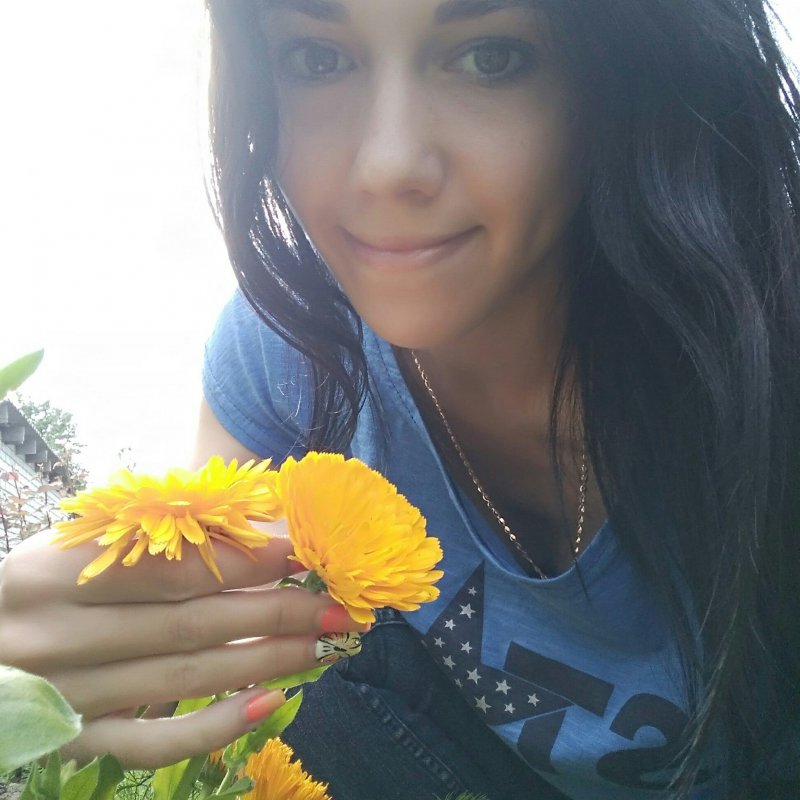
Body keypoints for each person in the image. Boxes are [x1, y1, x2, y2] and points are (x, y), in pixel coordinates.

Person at [1, 0, 799, 797]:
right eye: (317, 59)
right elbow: (204, 636)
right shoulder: (285, 351)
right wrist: (55, 684)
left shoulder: (766, 350)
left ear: (630, 76)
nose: (385, 165)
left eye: (490, 56)